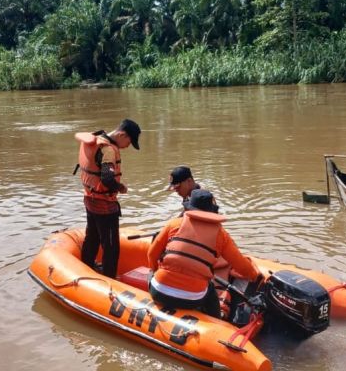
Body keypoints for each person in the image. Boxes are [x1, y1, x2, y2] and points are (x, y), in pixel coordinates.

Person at [147, 189, 261, 318]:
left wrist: (156, 271)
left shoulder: (174, 224)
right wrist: (253, 276)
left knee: (151, 272)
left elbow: (151, 254)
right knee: (210, 288)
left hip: (159, 292)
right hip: (193, 299)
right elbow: (241, 265)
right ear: (212, 211)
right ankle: (217, 320)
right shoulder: (221, 234)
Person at [76, 118, 141, 278]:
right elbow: (107, 178)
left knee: (92, 236)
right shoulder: (109, 150)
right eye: (129, 142)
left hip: (90, 198)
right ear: (121, 134)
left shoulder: (95, 140)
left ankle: (87, 266)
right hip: (104, 205)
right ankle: (109, 279)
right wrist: (121, 187)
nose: (127, 147)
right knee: (111, 246)